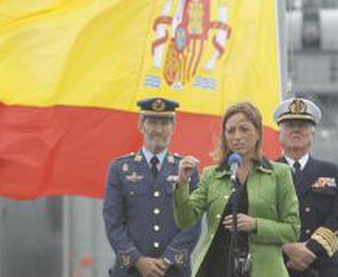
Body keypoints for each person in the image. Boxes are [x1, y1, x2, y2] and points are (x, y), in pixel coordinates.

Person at [173, 102, 300, 277]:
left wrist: (255, 224)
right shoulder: (211, 174)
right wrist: (182, 183)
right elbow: (185, 220)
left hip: (263, 270)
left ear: (257, 133)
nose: (237, 136)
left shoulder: (280, 173)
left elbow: (292, 230)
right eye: (231, 131)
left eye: (244, 129)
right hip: (217, 268)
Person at [103, 98, 201, 277]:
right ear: (141, 125)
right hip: (131, 270)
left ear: (173, 127)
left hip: (173, 271)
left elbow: (192, 223)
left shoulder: (187, 170)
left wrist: (166, 260)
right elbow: (114, 224)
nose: (158, 129)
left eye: (164, 123)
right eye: (152, 122)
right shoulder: (119, 169)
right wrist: (138, 260)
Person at [274, 97, 338, 276]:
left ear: (313, 132)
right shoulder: (265, 172)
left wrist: (309, 249)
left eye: (302, 125)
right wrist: (288, 249)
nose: (296, 130)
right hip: (278, 265)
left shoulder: (333, 172)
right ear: (279, 132)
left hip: (322, 265)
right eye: (289, 125)